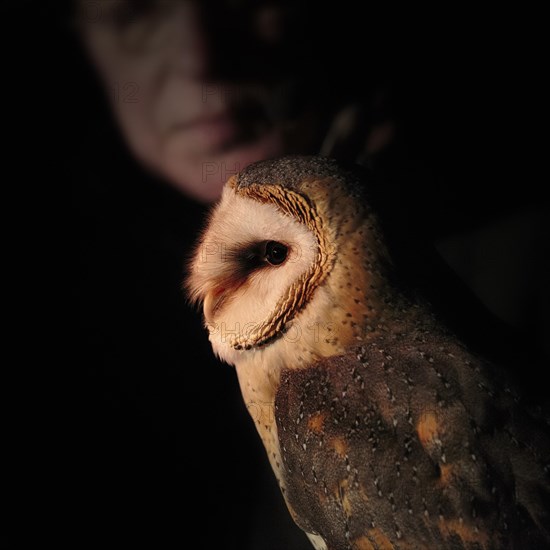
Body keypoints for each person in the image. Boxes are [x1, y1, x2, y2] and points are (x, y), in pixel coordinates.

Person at [61, 1, 547, 548]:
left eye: (237, 1)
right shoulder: (82, 297)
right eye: (131, 12)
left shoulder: (513, 240)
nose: (199, 59)